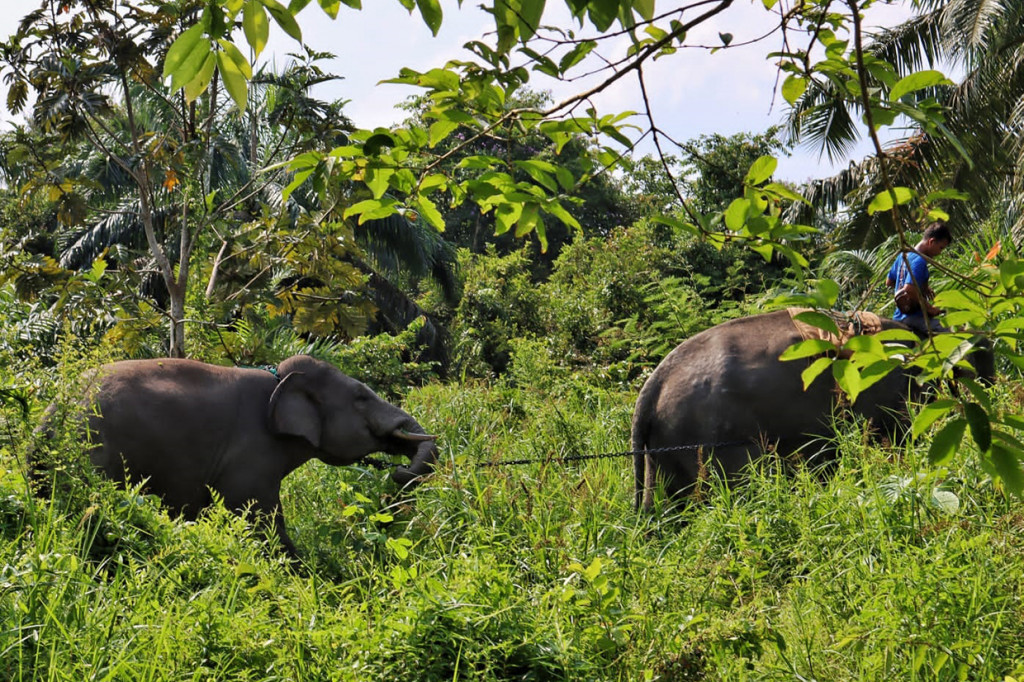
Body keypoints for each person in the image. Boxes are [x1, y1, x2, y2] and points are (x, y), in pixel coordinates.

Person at [886, 222, 952, 336]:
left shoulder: (903, 256)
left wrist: (920, 287)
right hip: (914, 318)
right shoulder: (919, 261)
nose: (939, 252)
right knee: (957, 332)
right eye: (940, 248)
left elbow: (889, 282)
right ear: (931, 242)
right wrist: (929, 308)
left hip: (898, 316)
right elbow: (909, 289)